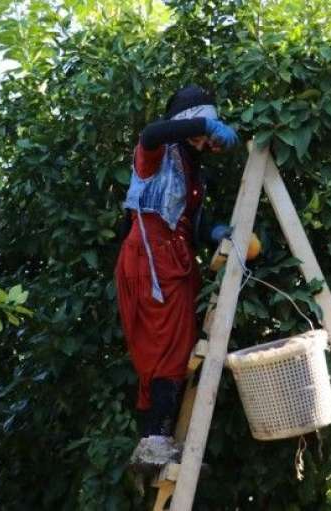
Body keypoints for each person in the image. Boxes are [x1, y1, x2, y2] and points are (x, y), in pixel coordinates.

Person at [115, 85, 238, 468]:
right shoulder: (157, 154)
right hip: (151, 258)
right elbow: (150, 133)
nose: (205, 141)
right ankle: (153, 440)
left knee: (179, 345)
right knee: (163, 347)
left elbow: (190, 222)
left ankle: (160, 437)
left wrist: (213, 231)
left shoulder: (193, 171)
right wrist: (205, 123)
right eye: (202, 131)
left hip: (177, 261)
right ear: (188, 124)